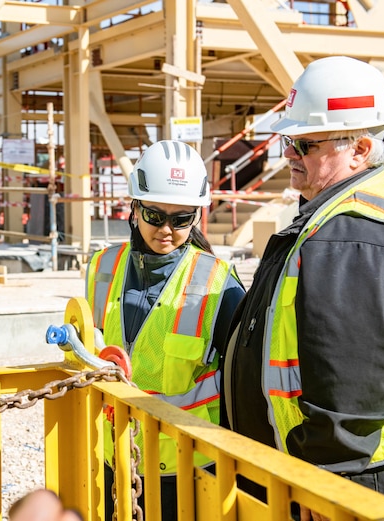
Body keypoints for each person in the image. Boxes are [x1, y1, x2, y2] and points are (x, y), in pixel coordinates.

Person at [222, 55, 384, 518]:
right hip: (362, 468)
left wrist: (327, 475)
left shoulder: (354, 233)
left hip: (367, 476)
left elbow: (354, 385)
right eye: (288, 141)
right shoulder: (339, 216)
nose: (288, 156)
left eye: (304, 144)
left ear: (359, 149)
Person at [84, 140, 245, 521]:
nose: (167, 230)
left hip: (187, 466)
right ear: (135, 208)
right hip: (115, 455)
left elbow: (241, 383)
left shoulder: (219, 285)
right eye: (155, 216)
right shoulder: (102, 267)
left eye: (182, 219)